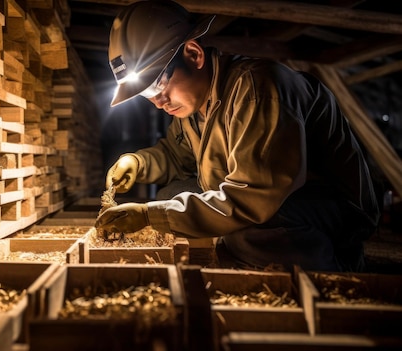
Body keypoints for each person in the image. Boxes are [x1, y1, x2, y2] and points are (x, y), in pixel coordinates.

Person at [94, 0, 380, 272]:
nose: (158, 101)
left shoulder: (257, 90)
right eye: (146, 94)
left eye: (158, 85)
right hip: (269, 203)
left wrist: (149, 215)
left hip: (326, 211)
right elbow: (175, 156)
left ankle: (335, 263)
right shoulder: (191, 108)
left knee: (244, 230)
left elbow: (252, 198)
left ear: (194, 54)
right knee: (172, 195)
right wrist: (138, 162)